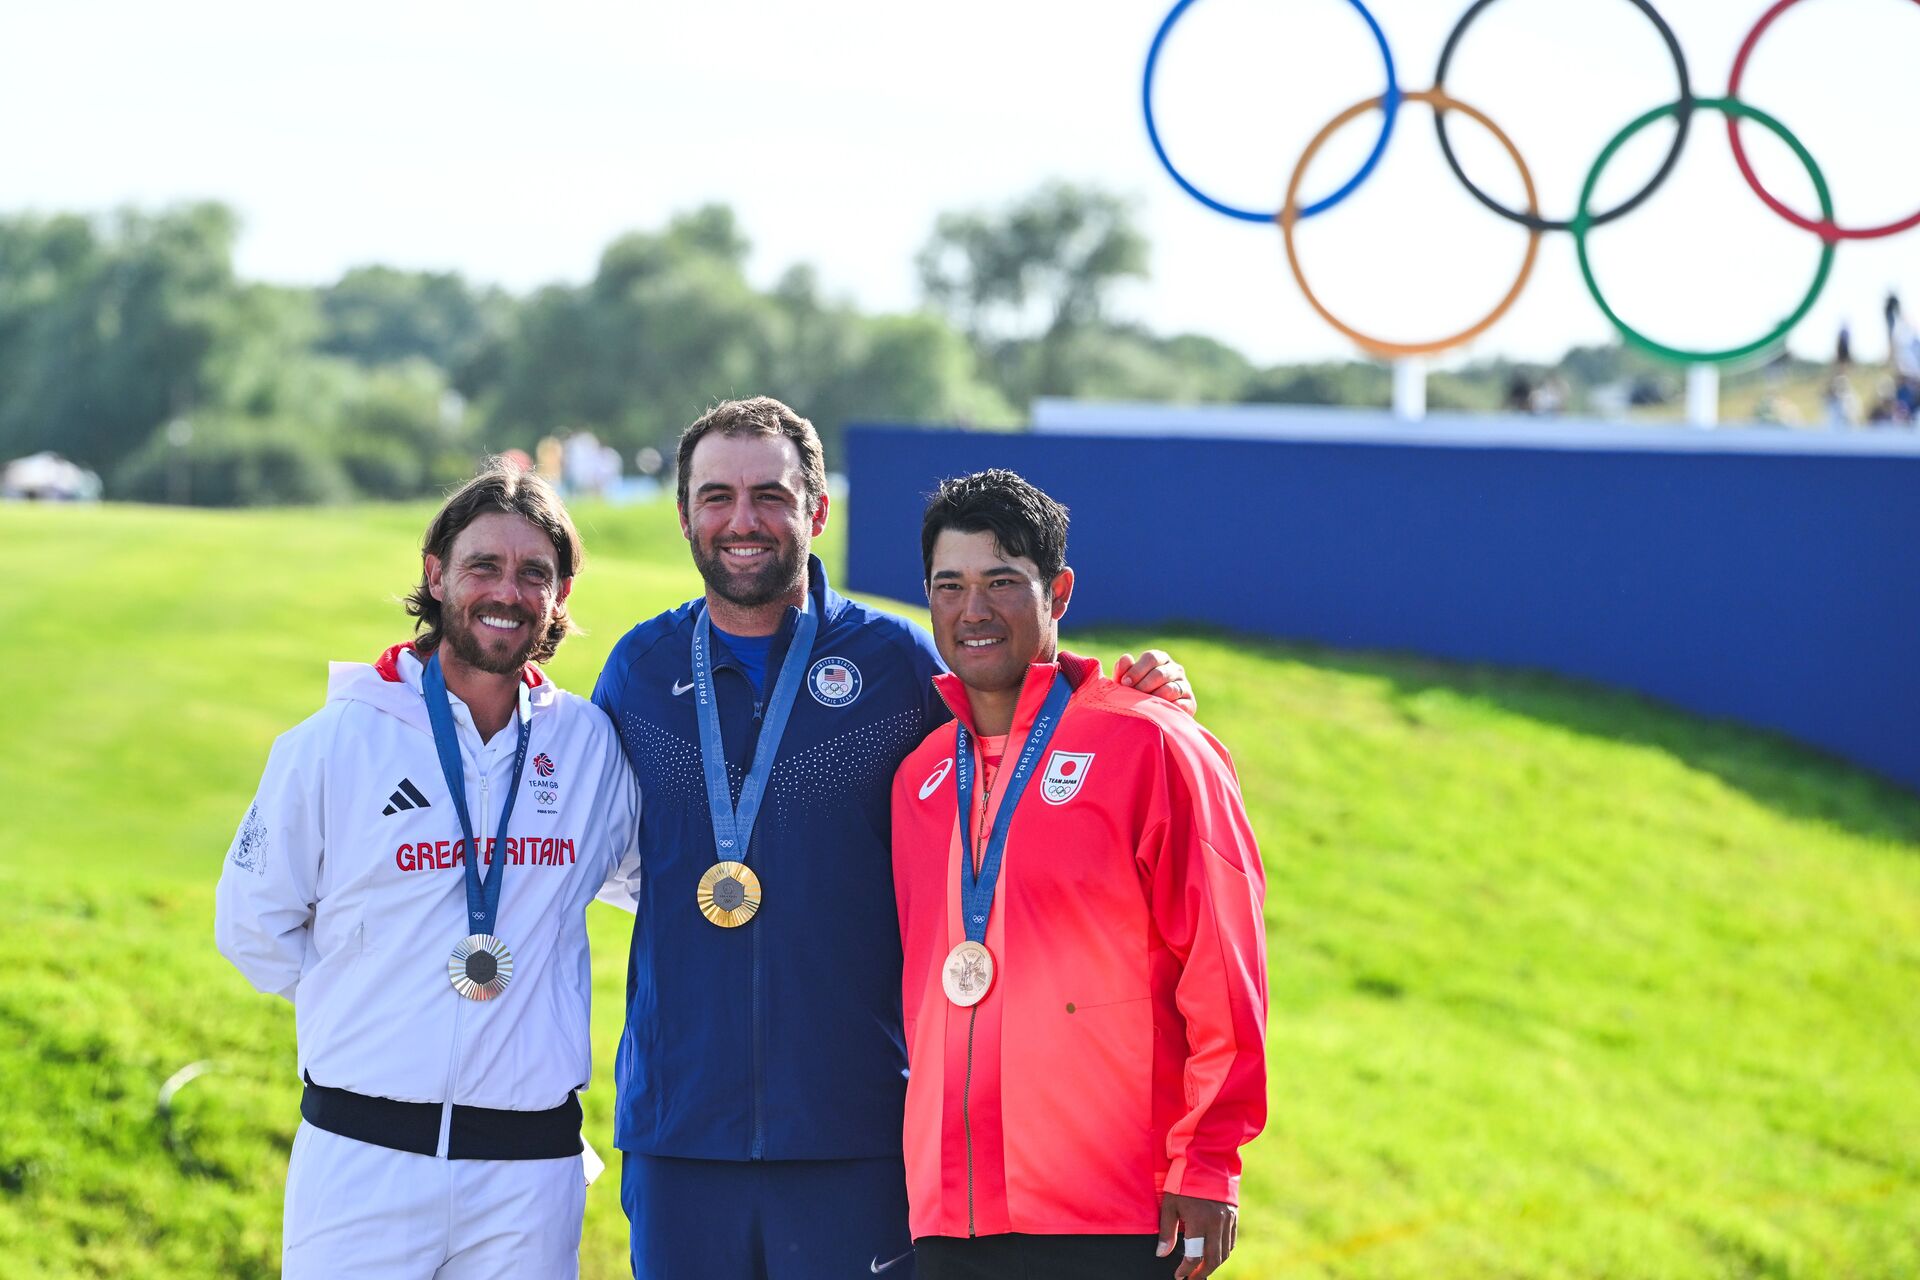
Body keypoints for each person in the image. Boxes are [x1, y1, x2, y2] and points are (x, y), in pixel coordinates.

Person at [592, 397, 1196, 1280]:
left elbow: (1017, 730)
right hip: (679, 1131)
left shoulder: (900, 663)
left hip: (860, 1128)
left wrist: (1142, 692)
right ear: (684, 513)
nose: (743, 521)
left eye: (771, 494)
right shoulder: (638, 669)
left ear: (817, 510)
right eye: (716, 496)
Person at [216, 463, 641, 1278]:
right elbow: (251, 929)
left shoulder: (587, 745)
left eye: (534, 574)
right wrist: (374, 993)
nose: (507, 591)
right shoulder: (337, 740)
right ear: (436, 573)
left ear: (559, 598)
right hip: (362, 1157)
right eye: (484, 566)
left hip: (528, 1173)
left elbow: (647, 880)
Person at [891, 469, 1267, 1280]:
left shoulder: (1152, 745)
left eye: (1002, 583)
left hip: (1114, 1209)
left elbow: (1222, 970)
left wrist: (1207, 1163)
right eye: (949, 586)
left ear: (1058, 591)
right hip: (950, 1215)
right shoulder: (919, 778)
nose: (973, 610)